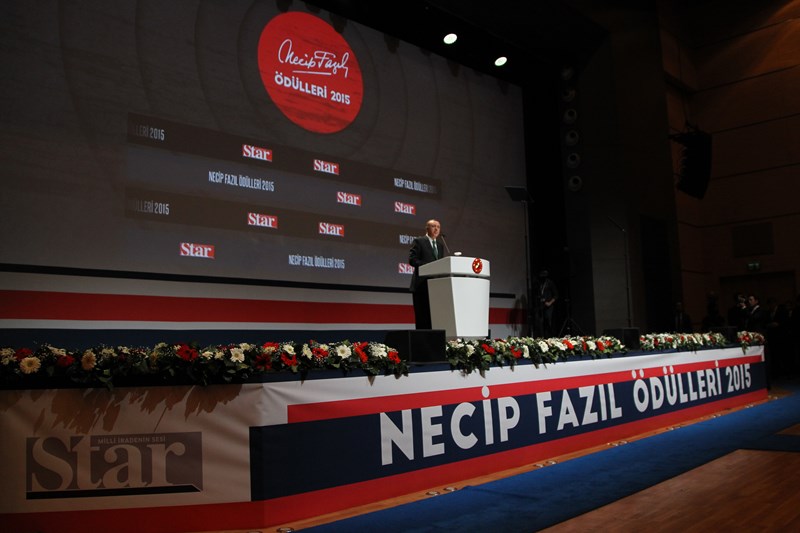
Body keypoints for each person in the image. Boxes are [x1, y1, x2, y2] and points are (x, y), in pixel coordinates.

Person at [408, 219, 445, 330]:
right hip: (421, 285)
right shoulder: (419, 241)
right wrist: (429, 266)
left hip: (435, 286)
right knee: (422, 317)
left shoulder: (440, 246)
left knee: (434, 318)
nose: (436, 229)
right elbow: (413, 260)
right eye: (433, 226)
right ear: (427, 228)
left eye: (438, 227)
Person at [534, 270, 558, 337]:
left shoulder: (550, 283)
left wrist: (550, 302)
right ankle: (541, 336)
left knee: (548, 321)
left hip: (548, 306)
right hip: (540, 305)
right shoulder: (539, 284)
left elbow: (556, 295)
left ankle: (549, 336)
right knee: (540, 322)